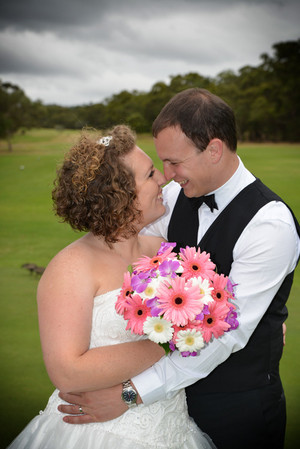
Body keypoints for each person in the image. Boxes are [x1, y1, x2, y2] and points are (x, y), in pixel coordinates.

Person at [58, 89, 300, 449]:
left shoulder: (270, 225)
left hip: (237, 409)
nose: (167, 175)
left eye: (174, 162)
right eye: (161, 164)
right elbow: (121, 248)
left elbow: (224, 337)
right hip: (172, 412)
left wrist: (129, 394)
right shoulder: (170, 200)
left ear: (214, 150)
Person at [7, 124, 216, 449]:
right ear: (119, 197)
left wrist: (247, 323)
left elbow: (213, 306)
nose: (163, 178)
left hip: (172, 424)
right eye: (149, 175)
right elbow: (68, 372)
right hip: (100, 431)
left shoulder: (164, 249)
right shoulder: (71, 267)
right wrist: (172, 339)